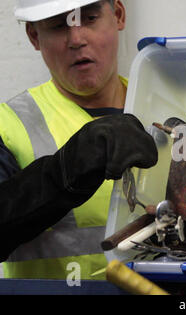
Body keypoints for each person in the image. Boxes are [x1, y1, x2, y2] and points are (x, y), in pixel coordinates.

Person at [0, 0, 133, 280]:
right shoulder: (7, 125)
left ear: (118, 15)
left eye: (90, 18)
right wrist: (65, 172)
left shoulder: (167, 111)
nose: (76, 39)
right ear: (34, 36)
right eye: (59, 25)